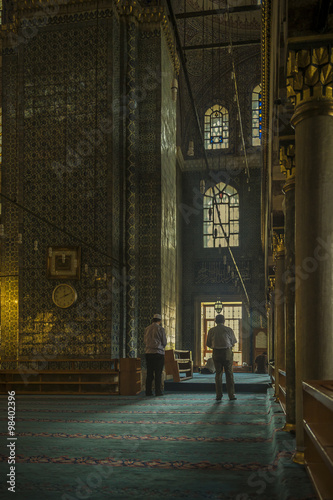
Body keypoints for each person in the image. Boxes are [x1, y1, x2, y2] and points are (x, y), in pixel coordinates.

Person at [206, 314, 237, 401]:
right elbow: (233, 342)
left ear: (215, 321)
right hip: (227, 352)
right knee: (229, 373)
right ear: (224, 321)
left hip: (216, 352)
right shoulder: (228, 329)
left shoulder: (211, 330)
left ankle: (218, 395)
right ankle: (231, 395)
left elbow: (208, 343)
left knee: (218, 374)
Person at [144, 313, 167, 397]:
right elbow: (164, 342)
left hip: (148, 353)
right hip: (158, 353)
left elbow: (145, 341)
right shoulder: (161, 329)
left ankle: (148, 391)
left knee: (149, 373)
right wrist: (161, 346)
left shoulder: (147, 329)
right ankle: (158, 391)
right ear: (159, 321)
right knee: (158, 373)